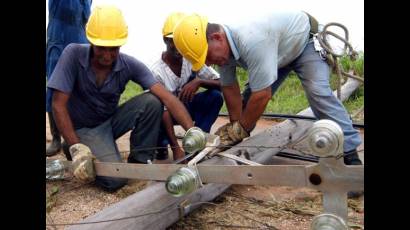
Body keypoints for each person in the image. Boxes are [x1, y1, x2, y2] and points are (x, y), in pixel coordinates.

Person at [172, 12, 363, 166]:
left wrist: (240, 130)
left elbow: (262, 96)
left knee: (318, 93)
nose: (210, 63)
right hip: (278, 53)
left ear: (217, 37)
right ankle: (239, 151)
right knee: (247, 105)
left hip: (305, 43)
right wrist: (234, 130)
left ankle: (350, 154)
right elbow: (230, 89)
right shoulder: (224, 53)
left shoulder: (252, 40)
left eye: (208, 56)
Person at [47, 6, 204, 192]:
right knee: (115, 181)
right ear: (91, 41)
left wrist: (193, 131)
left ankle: (139, 163)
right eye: (101, 48)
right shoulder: (72, 54)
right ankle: (75, 145)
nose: (107, 55)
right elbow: (58, 105)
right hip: (85, 129)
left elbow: (168, 98)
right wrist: (76, 147)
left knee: (152, 102)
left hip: (110, 122)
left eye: (113, 49)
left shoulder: (129, 64)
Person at [151, 12, 223, 161]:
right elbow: (164, 111)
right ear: (165, 40)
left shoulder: (189, 58)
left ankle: (197, 142)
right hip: (166, 115)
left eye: (180, 41)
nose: (178, 46)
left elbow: (223, 83)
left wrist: (199, 81)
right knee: (153, 111)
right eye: (172, 40)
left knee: (215, 97)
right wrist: (175, 148)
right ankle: (162, 144)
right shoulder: (156, 71)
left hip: (186, 109)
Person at [46, 0, 92, 157]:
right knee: (55, 86)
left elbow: (86, 16)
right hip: (58, 35)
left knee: (81, 85)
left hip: (80, 34)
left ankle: (74, 134)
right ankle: (56, 139)